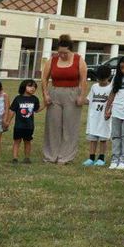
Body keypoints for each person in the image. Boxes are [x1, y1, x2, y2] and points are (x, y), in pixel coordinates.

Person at [41, 34, 86, 165]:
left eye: (65, 53)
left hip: (72, 93)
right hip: (55, 92)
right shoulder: (53, 60)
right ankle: (50, 155)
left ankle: (66, 156)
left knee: (70, 126)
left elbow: (83, 79)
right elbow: (44, 78)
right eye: (59, 52)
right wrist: (45, 94)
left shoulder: (79, 60)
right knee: (53, 125)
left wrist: (82, 96)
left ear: (70, 50)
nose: (62, 55)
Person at [83, 65, 111, 167]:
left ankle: (101, 158)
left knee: (103, 139)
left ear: (108, 77)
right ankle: (91, 158)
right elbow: (89, 100)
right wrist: (80, 99)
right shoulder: (94, 87)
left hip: (104, 118)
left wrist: (109, 111)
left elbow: (113, 102)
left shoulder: (111, 88)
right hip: (93, 117)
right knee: (93, 138)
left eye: (103, 79)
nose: (101, 81)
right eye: (99, 79)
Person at [8, 79, 40, 163]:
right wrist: (7, 121)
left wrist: (46, 104)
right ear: (23, 87)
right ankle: (15, 158)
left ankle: (27, 158)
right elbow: (12, 111)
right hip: (18, 125)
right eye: (30, 86)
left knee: (27, 141)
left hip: (29, 126)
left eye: (34, 87)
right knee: (17, 141)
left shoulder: (35, 99)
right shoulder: (18, 98)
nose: (32, 88)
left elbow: (37, 110)